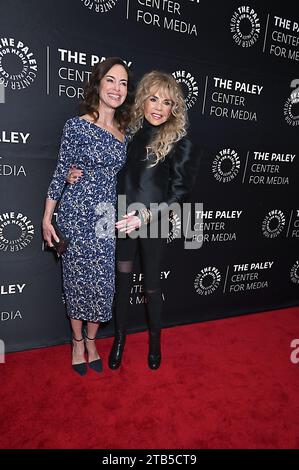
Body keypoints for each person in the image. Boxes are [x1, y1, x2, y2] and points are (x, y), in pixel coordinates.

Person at [68, 70, 198, 371]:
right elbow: (107, 169)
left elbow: (179, 195)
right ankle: (119, 342)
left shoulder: (180, 142)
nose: (157, 107)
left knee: (151, 287)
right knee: (122, 285)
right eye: (153, 98)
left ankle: (155, 345)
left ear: (173, 109)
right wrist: (74, 174)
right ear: (143, 100)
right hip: (122, 219)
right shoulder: (130, 134)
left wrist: (146, 216)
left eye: (166, 102)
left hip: (153, 221)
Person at [42, 57, 134, 376]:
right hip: (76, 214)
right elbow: (59, 172)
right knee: (77, 283)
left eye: (123, 83)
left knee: (102, 286)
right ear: (98, 83)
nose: (117, 88)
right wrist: (46, 218)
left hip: (106, 218)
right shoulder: (77, 125)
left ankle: (93, 340)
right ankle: (77, 341)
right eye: (111, 80)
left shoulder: (126, 131)